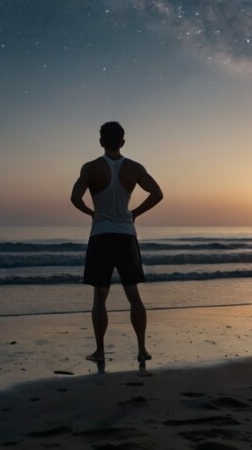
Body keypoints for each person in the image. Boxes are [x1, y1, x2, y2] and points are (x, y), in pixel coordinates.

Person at [70, 121, 164, 363]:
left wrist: (92, 213)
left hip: (100, 235)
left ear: (101, 141)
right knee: (133, 294)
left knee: (100, 296)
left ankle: (100, 352)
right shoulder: (134, 167)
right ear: (122, 142)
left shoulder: (90, 168)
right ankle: (142, 350)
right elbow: (157, 193)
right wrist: (135, 213)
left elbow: (75, 198)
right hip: (125, 235)